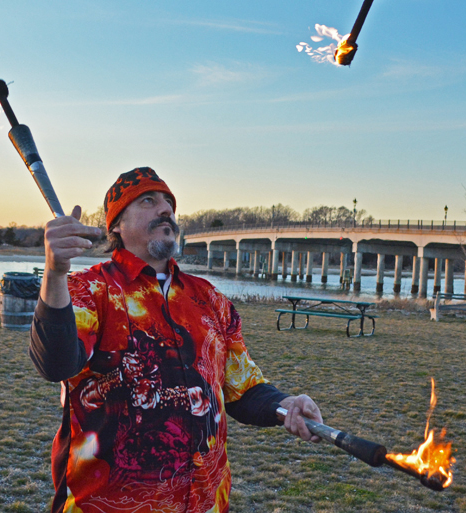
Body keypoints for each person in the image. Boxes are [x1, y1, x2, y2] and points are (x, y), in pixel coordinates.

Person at [30, 167, 323, 513]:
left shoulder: (210, 299)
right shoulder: (90, 290)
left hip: (204, 502)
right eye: (149, 201)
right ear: (116, 226)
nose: (165, 209)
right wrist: (55, 273)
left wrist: (284, 405)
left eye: (169, 203)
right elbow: (55, 363)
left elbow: (242, 389)